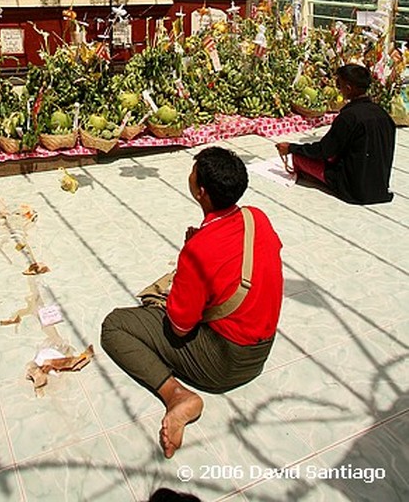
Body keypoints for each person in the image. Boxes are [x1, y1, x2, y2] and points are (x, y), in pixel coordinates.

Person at [101, 147, 283, 460]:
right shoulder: (257, 218)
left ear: (200, 192)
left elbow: (181, 327)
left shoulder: (198, 252)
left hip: (224, 364)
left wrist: (188, 266)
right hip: (259, 352)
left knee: (115, 325)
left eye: (193, 172)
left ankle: (177, 395)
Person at [276, 63, 395, 204]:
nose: (338, 88)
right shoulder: (383, 114)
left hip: (352, 188)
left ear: (348, 88)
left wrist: (291, 148)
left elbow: (324, 150)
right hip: (378, 187)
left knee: (299, 158)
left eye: (339, 84)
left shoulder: (349, 117)